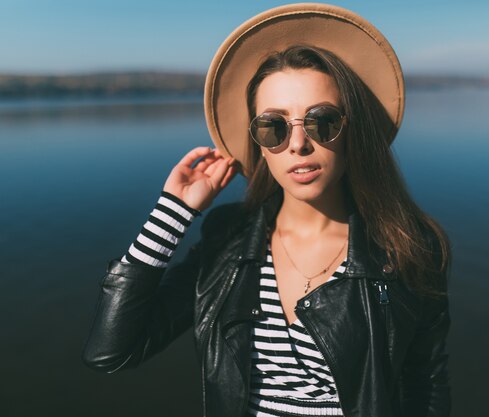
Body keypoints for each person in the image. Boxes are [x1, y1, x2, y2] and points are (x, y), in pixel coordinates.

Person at [83, 3, 451, 417]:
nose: (297, 144)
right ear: (258, 142)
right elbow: (111, 352)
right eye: (273, 126)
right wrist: (173, 213)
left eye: (322, 121)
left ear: (353, 130)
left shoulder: (406, 248)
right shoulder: (228, 240)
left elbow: (426, 386)